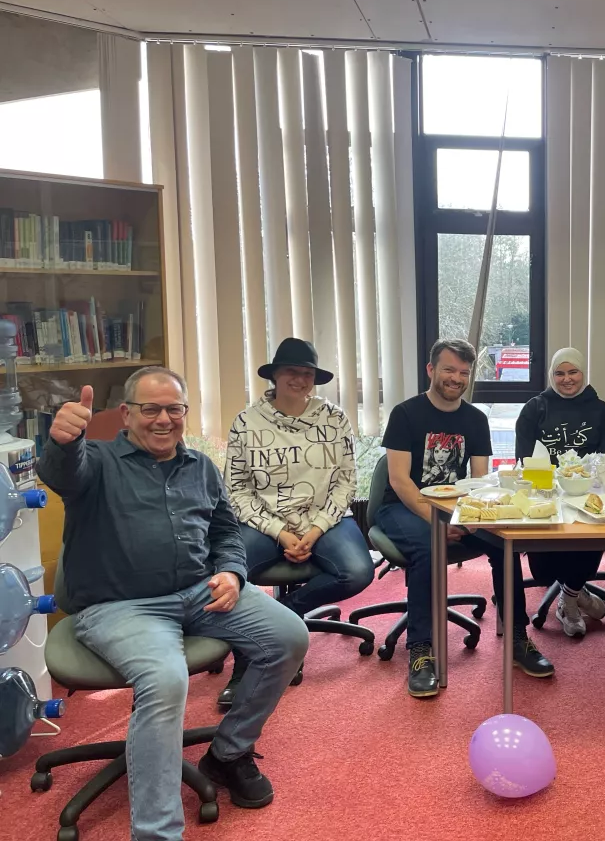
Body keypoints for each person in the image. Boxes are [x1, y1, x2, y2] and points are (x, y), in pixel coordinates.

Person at [37, 367, 309, 840]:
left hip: (199, 593)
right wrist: (62, 441)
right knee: (166, 679)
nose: (164, 419)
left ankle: (228, 754)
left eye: (174, 409)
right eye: (150, 409)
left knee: (289, 637)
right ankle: (158, 833)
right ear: (126, 414)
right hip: (120, 605)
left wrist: (231, 572)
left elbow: (226, 532)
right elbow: (63, 473)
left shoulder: (200, 467)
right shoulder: (95, 462)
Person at [373, 338, 553, 698]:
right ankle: (421, 650)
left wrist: (470, 517)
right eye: (449, 369)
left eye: (463, 372)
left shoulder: (475, 419)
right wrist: (438, 521)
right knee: (429, 544)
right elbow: (399, 481)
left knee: (506, 544)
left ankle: (518, 638)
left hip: (457, 508)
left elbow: (480, 481)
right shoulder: (406, 414)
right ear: (431, 370)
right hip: (402, 507)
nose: (456, 378)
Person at [218, 338, 374, 709]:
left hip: (325, 518)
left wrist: (317, 528)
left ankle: (287, 617)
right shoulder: (247, 421)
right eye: (292, 371)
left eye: (307, 373)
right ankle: (245, 663)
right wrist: (280, 531)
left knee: (356, 572)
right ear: (274, 375)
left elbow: (345, 483)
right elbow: (236, 489)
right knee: (232, 574)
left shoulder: (334, 418)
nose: (300, 379)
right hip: (264, 521)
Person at [515, 347, 605, 637]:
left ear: (583, 373)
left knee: (585, 542)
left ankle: (569, 601)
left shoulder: (602, 411)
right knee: (543, 572)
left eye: (573, 371)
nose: (567, 379)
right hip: (545, 496)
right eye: (559, 373)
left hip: (587, 497)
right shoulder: (534, 408)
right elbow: (524, 461)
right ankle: (577, 593)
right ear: (551, 375)